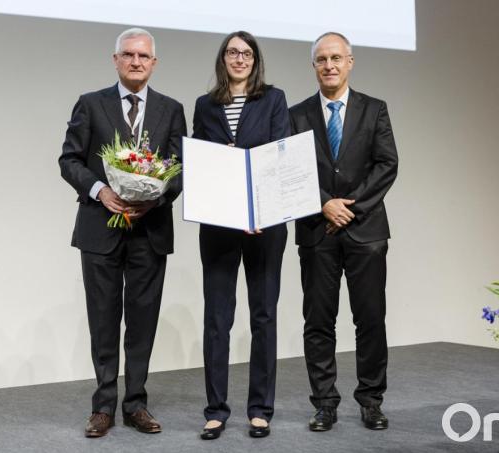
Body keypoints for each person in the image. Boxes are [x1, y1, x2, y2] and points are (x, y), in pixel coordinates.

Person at [58, 27, 186, 438]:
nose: (136, 61)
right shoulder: (90, 104)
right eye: (128, 54)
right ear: (115, 60)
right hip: (100, 228)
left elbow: (180, 170)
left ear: (154, 63)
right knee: (103, 319)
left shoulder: (171, 109)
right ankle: (103, 407)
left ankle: (136, 404)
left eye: (143, 56)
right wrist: (101, 191)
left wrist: (156, 197)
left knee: (143, 321)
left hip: (150, 230)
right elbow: (69, 160)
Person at [288, 32, 399, 432]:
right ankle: (324, 403)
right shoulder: (296, 115)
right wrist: (324, 204)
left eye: (336, 58)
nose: (329, 65)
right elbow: (290, 170)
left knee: (370, 320)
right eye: (322, 59)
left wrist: (349, 209)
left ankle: (371, 400)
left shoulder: (375, 109)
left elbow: (387, 165)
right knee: (319, 322)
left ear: (350, 62)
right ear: (313, 66)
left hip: (366, 232)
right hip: (316, 231)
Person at [191, 30, 291, 440]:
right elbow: (200, 163)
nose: (239, 59)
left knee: (263, 316)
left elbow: (279, 154)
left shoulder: (273, 99)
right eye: (232, 52)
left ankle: (260, 409)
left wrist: (259, 209)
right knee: (217, 319)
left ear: (255, 60)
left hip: (264, 225)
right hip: (219, 226)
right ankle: (216, 410)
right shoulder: (205, 105)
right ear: (223, 59)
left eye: (246, 53)